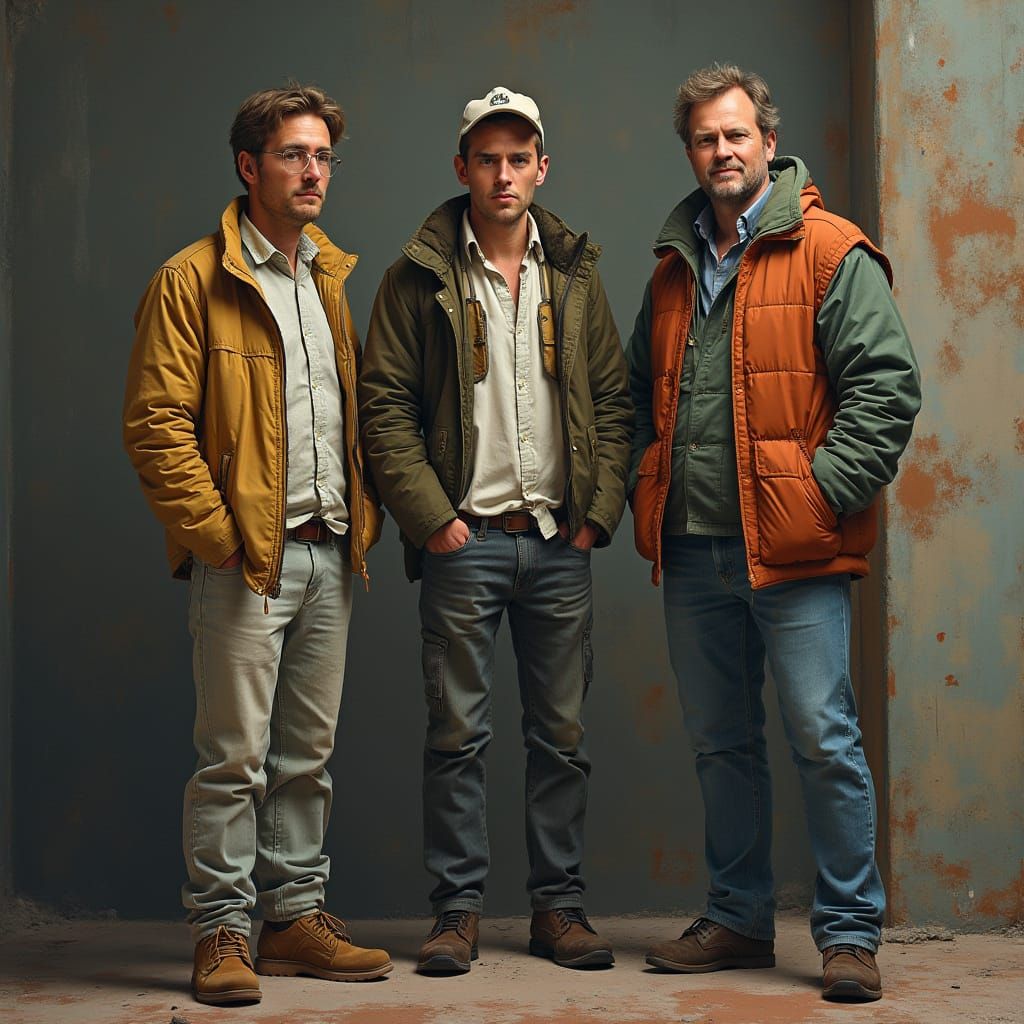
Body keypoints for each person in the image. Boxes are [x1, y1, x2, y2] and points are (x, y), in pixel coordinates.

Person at [626, 64, 920, 1002]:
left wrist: (818, 498)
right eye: (705, 139)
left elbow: (887, 388)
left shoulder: (830, 250)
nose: (722, 152)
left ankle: (849, 935)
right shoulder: (673, 267)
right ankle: (739, 917)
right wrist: (645, 483)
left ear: (768, 143)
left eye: (736, 135)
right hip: (694, 547)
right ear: (690, 152)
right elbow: (636, 396)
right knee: (722, 745)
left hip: (794, 552)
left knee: (824, 740)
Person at [123, 84, 392, 1006]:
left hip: (329, 554)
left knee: (306, 758)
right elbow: (157, 425)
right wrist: (221, 539)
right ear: (249, 166)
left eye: (323, 156)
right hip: (246, 563)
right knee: (233, 760)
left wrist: (361, 519)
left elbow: (347, 415)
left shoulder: (326, 276)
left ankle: (293, 921)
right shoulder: (191, 279)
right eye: (293, 155)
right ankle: (221, 932)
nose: (314, 172)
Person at [359, 86, 632, 974]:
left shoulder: (575, 272)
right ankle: (456, 914)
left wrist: (597, 517)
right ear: (462, 167)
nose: (503, 174)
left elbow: (614, 402)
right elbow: (383, 408)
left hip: (558, 543)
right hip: (463, 544)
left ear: (542, 167)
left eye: (519, 159)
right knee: (456, 738)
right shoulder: (416, 276)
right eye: (487, 159)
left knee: (562, 741)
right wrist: (433, 521)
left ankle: (560, 910)